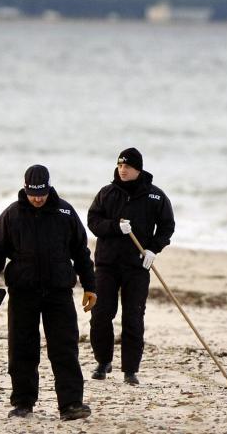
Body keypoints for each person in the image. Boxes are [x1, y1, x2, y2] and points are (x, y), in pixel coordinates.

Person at [0, 165, 96, 421]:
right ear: (25, 188)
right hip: (23, 291)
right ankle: (22, 402)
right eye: (33, 193)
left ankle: (71, 404)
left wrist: (90, 286)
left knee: (64, 348)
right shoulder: (12, 214)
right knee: (22, 349)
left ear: (48, 187)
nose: (38, 198)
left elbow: (81, 252)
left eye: (41, 193)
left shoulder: (65, 212)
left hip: (59, 292)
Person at [88, 148, 175, 386]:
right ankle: (103, 362)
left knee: (133, 317)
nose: (122, 170)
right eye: (119, 166)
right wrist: (115, 227)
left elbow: (167, 226)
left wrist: (153, 249)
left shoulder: (155, 197)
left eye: (127, 167)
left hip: (137, 265)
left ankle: (130, 370)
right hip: (107, 264)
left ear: (138, 169)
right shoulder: (106, 193)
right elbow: (93, 222)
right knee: (101, 314)